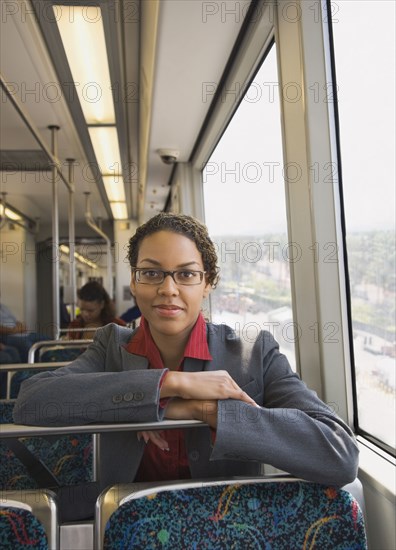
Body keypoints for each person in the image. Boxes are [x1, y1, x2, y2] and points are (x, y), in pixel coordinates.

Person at [13, 213, 358, 499]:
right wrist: (168, 386)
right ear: (133, 283)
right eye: (151, 273)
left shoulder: (254, 354)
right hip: (127, 530)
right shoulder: (111, 346)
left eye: (187, 274)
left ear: (207, 284)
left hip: (228, 529)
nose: (168, 288)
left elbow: (339, 454)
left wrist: (207, 412)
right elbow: (32, 401)